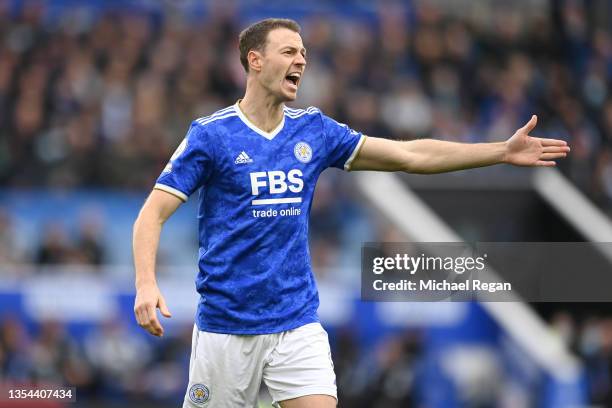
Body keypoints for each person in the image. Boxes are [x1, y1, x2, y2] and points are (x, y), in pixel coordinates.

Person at [132, 18, 570, 408]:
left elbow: (409, 156)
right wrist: (147, 284)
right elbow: (151, 214)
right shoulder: (211, 136)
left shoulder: (314, 130)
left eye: (303, 53)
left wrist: (499, 151)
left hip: (295, 322)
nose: (301, 60)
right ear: (255, 60)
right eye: (288, 51)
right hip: (226, 328)